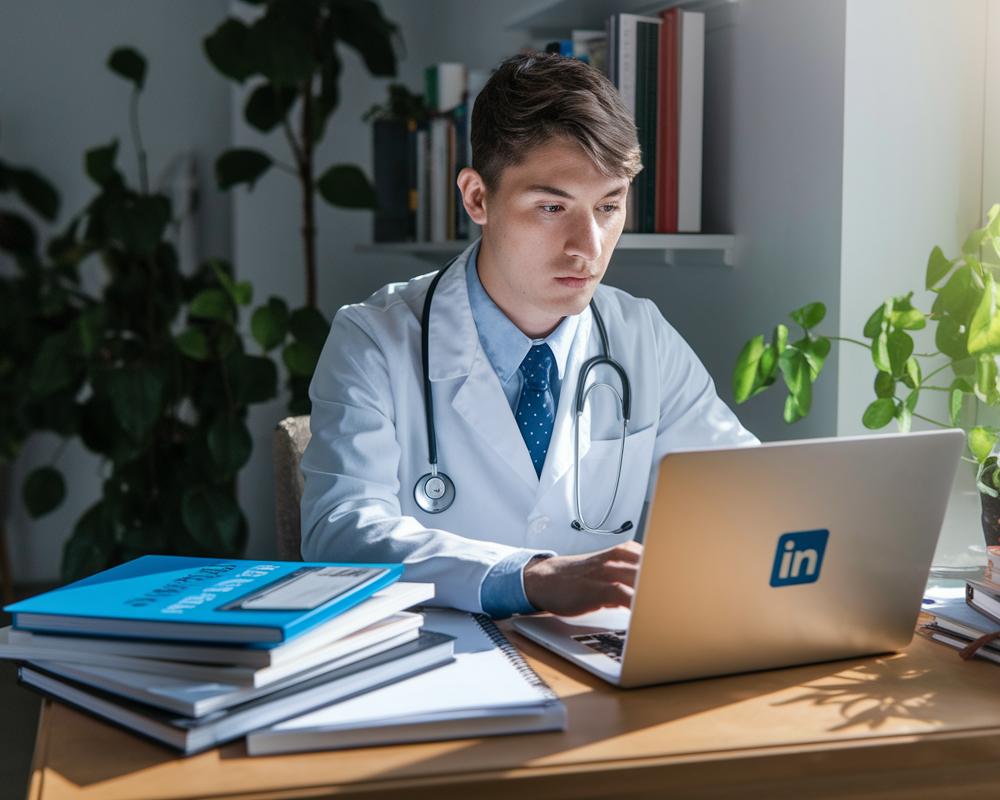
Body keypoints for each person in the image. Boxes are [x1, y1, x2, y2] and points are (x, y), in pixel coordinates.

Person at [299, 53, 757, 619]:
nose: (587, 246)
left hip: (595, 662)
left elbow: (746, 494)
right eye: (551, 206)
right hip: (440, 664)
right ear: (477, 198)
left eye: (608, 206)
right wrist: (529, 577)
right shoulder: (373, 339)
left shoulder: (641, 336)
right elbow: (339, 532)